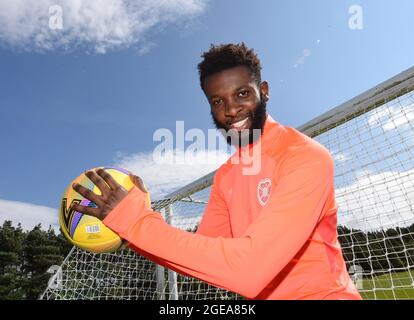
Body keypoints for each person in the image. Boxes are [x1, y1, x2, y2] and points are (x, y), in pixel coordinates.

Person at [71, 43, 362, 300]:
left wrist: (135, 222)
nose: (231, 109)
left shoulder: (305, 157)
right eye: (218, 101)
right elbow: (203, 257)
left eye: (242, 93)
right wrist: (129, 225)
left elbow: (250, 270)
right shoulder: (227, 175)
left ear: (264, 92)